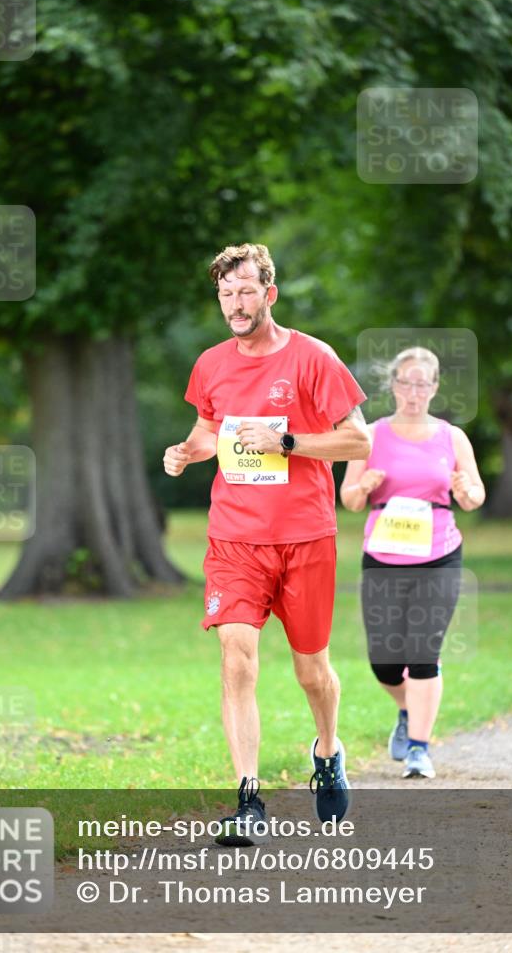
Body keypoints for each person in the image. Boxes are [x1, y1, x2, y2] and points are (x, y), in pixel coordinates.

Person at [163, 243, 370, 843]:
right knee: (236, 657)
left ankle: (327, 751)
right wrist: (187, 452)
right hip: (235, 538)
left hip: (305, 537)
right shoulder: (211, 364)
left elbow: (358, 442)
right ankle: (248, 798)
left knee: (312, 672)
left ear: (269, 294)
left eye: (247, 291)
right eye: (226, 293)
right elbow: (208, 431)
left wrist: (288, 443)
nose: (236, 303)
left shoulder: (313, 358)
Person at [340, 346, 485, 779]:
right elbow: (348, 499)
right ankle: (408, 710)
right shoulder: (370, 436)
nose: (414, 391)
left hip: (439, 555)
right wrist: (363, 487)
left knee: (423, 651)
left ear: (434, 388)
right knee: (384, 660)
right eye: (406, 382)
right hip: (383, 557)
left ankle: (420, 747)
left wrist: (466, 492)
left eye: (422, 384)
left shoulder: (451, 437)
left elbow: (475, 494)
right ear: (393, 386)